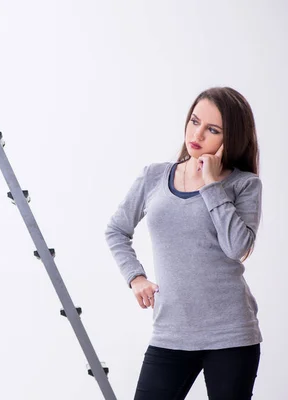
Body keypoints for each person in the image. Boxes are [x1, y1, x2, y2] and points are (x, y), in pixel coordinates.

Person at [104, 87, 262, 399]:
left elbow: (237, 248)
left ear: (231, 139)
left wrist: (212, 184)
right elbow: (116, 230)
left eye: (212, 129)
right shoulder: (154, 176)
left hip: (231, 335)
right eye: (194, 121)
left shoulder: (244, 184)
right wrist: (135, 277)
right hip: (171, 333)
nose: (198, 134)